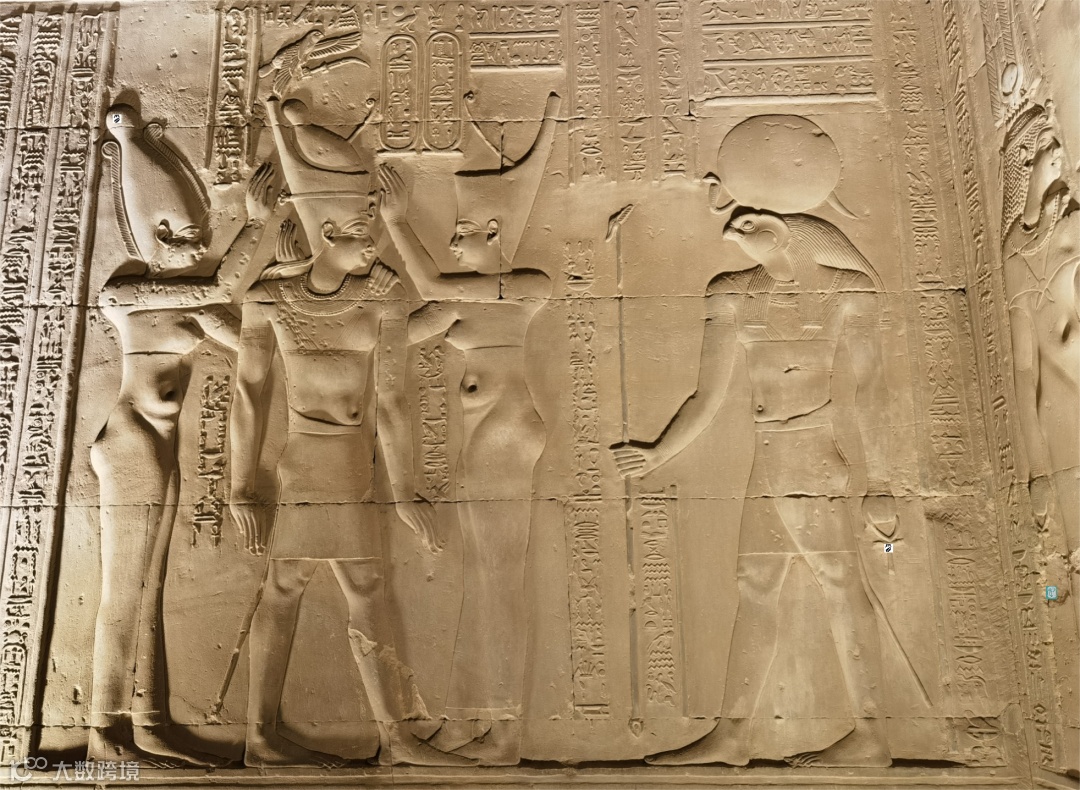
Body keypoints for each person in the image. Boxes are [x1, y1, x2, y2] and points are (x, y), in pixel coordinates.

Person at [613, 206, 896, 767]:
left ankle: (871, 734)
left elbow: (870, 387)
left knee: (839, 584)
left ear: (786, 231)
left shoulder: (847, 290)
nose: (735, 227)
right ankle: (735, 733)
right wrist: (659, 450)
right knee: (756, 584)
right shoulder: (731, 293)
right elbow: (708, 393)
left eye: (751, 220)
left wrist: (881, 480)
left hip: (811, 455)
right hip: (769, 456)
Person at [375, 92, 560, 765]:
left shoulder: (525, 285)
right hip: (484, 443)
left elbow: (434, 288)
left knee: (499, 579)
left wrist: (398, 224)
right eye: (453, 232)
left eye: (462, 231)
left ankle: (505, 732)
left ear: (493, 230)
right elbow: (399, 332)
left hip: (507, 437)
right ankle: (465, 719)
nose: (453, 241)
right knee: (477, 578)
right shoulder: (461, 303)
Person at [89, 163, 280, 766]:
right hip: (131, 445)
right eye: (190, 235)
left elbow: (250, 340)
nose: (200, 245)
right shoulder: (126, 294)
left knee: (150, 589)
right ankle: (102, 730)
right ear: (158, 236)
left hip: (158, 446)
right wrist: (256, 225)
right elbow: (217, 290)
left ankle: (146, 725)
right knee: (124, 591)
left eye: (202, 234)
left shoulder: (189, 304)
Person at [1001, 105, 1079, 625]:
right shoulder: (1018, 255)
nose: (1057, 157)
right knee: (1063, 564)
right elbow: (1024, 370)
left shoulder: (1072, 226)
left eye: (1056, 147)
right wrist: (1035, 469)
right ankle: (1056, 595)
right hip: (1062, 408)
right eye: (1046, 149)